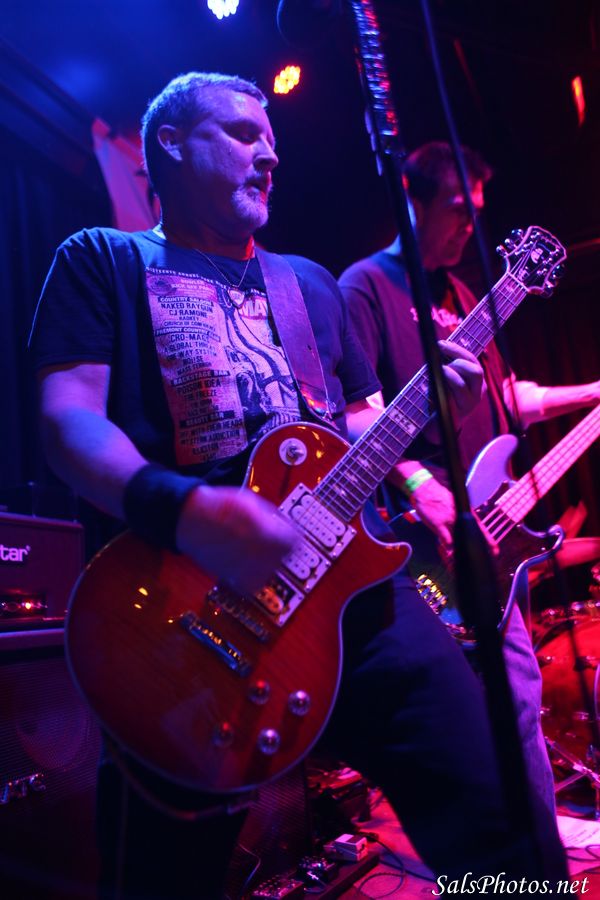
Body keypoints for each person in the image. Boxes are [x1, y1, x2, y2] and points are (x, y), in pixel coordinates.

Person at [30, 79, 568, 899]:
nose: (269, 155)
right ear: (169, 142)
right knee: (165, 879)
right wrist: (183, 509)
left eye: (273, 141)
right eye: (243, 134)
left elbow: (352, 423)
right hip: (186, 610)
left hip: (354, 592)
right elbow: (67, 420)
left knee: (503, 824)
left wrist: (427, 409)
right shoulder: (102, 259)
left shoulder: (309, 284)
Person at [339, 140, 600, 820]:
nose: (470, 225)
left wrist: (592, 393)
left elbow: (510, 399)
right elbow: (355, 414)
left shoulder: (460, 296)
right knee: (467, 711)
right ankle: (500, 853)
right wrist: (421, 487)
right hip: (419, 540)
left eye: (477, 210)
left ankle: (532, 847)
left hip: (490, 530)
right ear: (412, 201)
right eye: (459, 208)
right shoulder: (365, 287)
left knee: (517, 696)